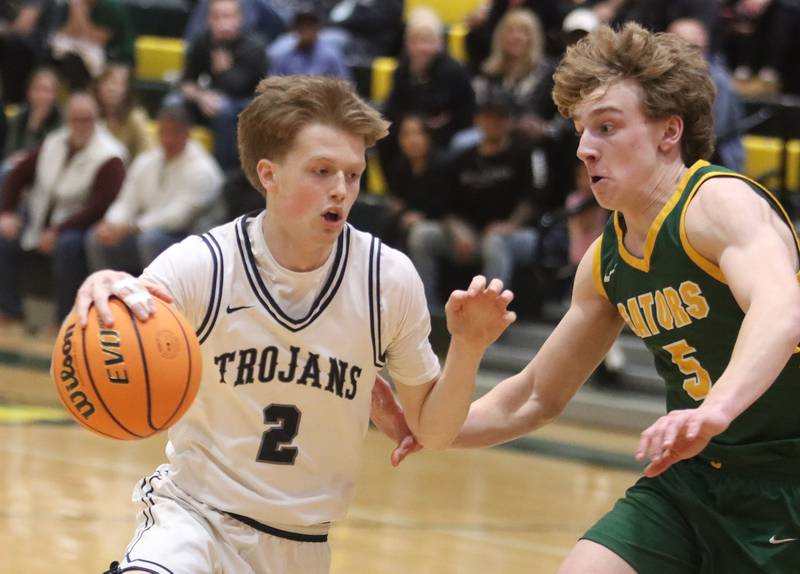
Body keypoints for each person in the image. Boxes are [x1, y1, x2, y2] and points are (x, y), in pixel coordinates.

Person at [73, 75, 516, 574]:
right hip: (194, 522)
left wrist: (468, 347)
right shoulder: (207, 265)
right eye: (321, 171)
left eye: (353, 174)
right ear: (270, 174)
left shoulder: (386, 279)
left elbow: (432, 432)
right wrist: (106, 286)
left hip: (303, 545)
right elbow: (126, 317)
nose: (341, 190)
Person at [452, 23, 800, 573]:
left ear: (669, 131)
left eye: (608, 127)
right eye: (581, 130)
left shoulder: (717, 203)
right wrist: (428, 428)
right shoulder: (604, 260)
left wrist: (714, 411)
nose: (587, 148)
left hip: (785, 482)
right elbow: (537, 395)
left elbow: (782, 312)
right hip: (689, 479)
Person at [0, 92, 126, 326]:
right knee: (4, 233)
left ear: (96, 119)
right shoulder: (53, 142)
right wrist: (7, 212)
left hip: (81, 225)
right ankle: (10, 310)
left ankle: (65, 321)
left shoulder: (111, 155)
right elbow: (17, 174)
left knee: (68, 245)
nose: (83, 126)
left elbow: (100, 205)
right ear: (68, 120)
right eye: (77, 120)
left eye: (88, 119)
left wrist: (58, 230)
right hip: (39, 217)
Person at [85, 104, 224, 275]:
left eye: (174, 133)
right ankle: (107, 296)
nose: (168, 140)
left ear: (187, 133)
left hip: (189, 240)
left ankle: (156, 300)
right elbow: (127, 200)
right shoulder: (147, 161)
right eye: (163, 133)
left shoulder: (203, 170)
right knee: (97, 237)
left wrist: (132, 227)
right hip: (145, 229)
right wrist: (112, 223)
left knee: (150, 240)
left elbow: (178, 217)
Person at [178, 0, 269, 171]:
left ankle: (223, 171)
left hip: (248, 106)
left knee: (223, 108)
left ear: (239, 19)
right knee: (174, 104)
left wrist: (222, 71)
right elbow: (186, 81)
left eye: (227, 16)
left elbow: (237, 86)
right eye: (216, 17)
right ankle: (179, 162)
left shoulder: (254, 47)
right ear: (208, 20)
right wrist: (201, 97)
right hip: (210, 99)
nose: (222, 23)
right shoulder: (203, 42)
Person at [92, 64, 153, 161]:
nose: (111, 88)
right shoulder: (89, 115)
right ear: (97, 87)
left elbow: (147, 155)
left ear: (127, 90)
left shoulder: (135, 117)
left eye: (117, 84)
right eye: (106, 82)